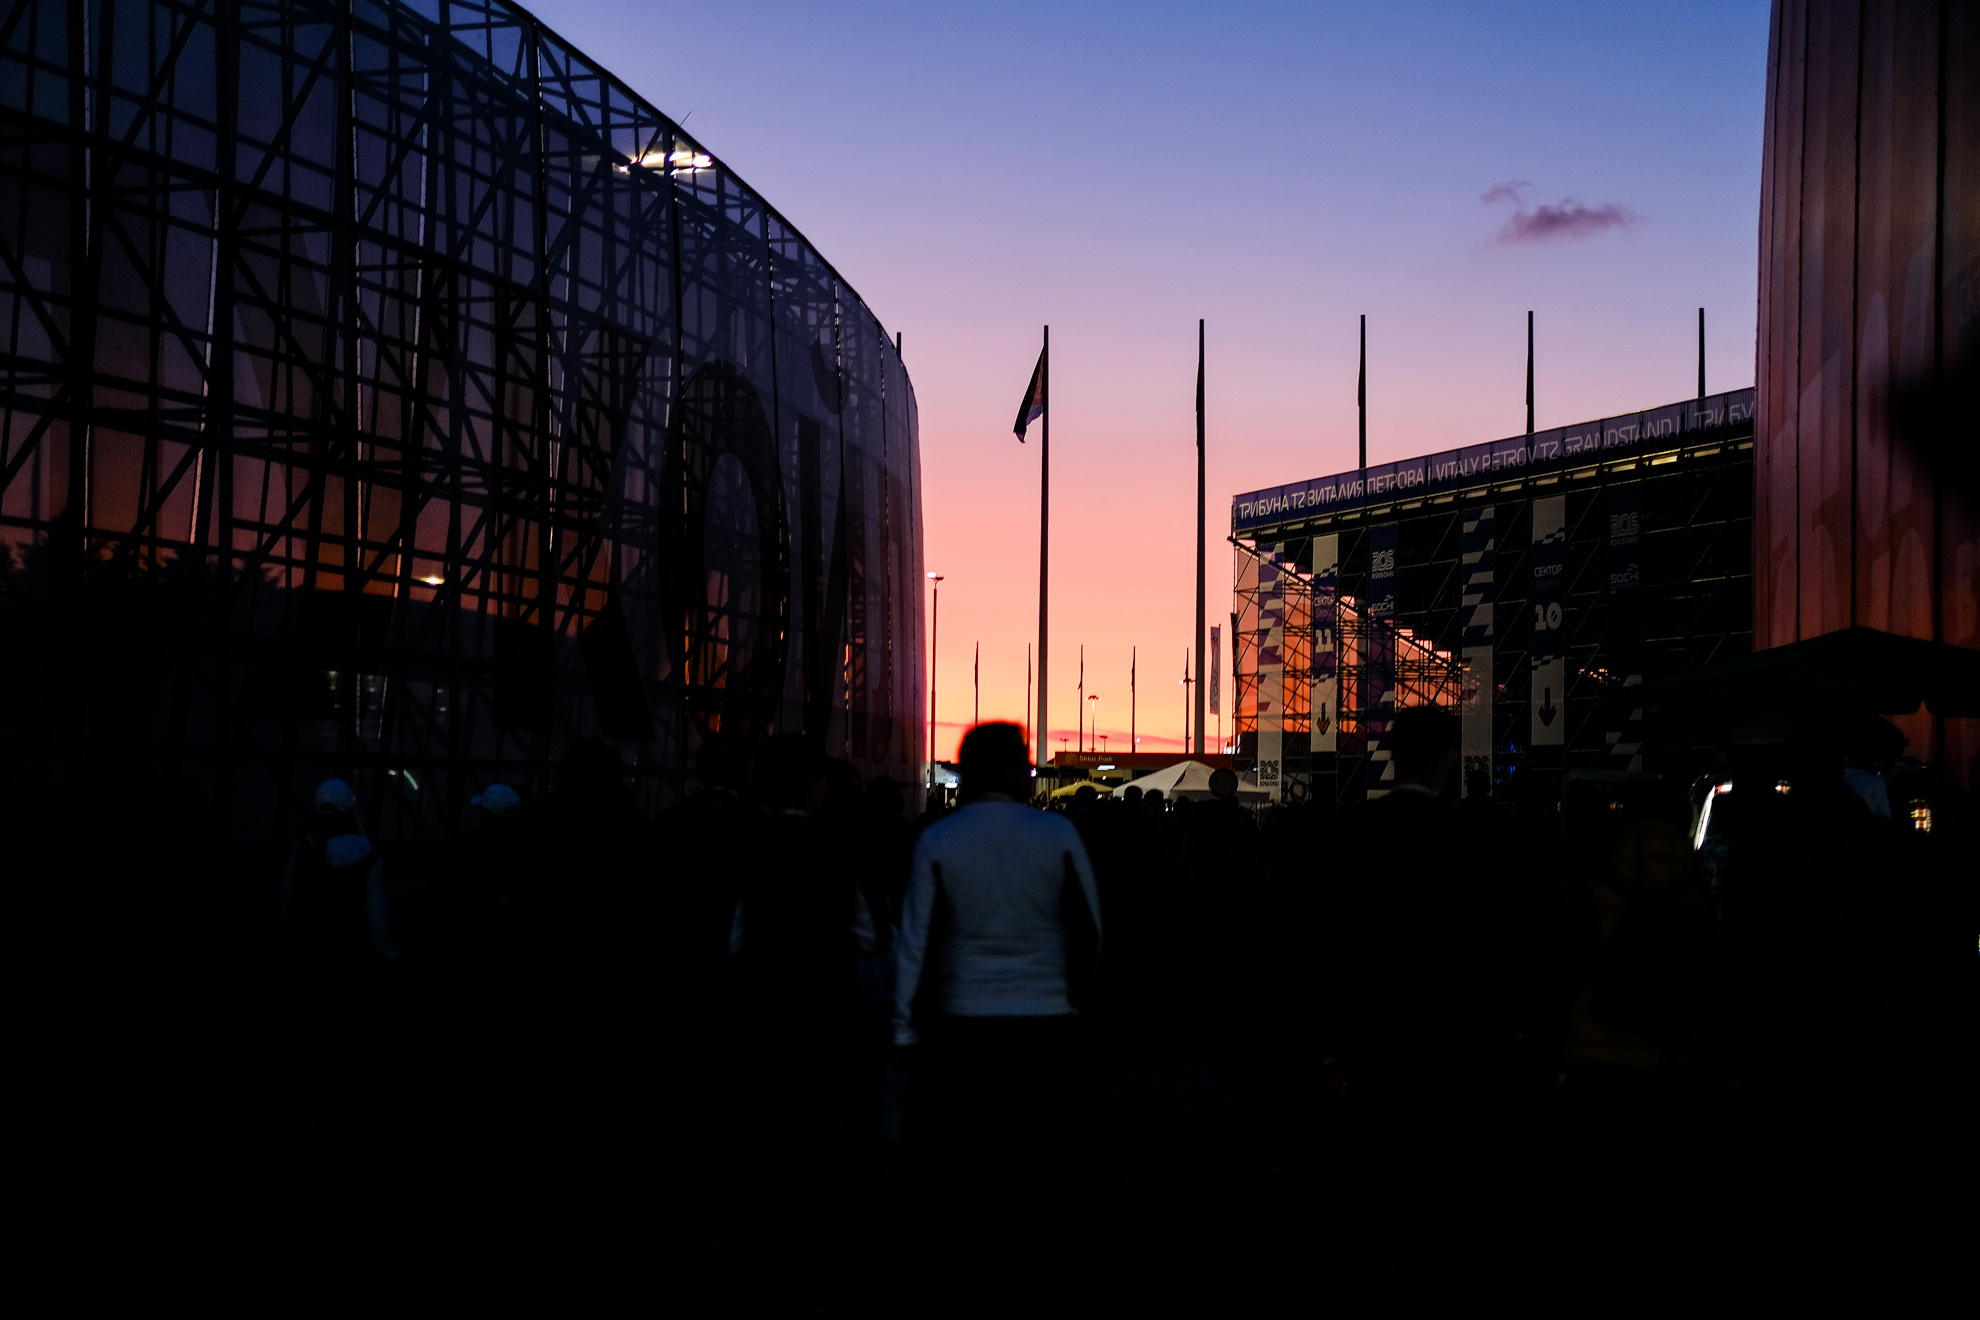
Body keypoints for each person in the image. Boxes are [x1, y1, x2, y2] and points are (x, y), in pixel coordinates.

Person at [892, 723, 1101, 1268]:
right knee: (1034, 1148)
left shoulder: (939, 838)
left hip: (963, 1014)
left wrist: (904, 1027)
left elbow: (916, 939)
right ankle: (1031, 1255)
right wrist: (1074, 998)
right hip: (1044, 1012)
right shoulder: (1055, 835)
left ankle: (968, 1256)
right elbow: (1089, 929)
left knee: (966, 1146)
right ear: (1016, 769)